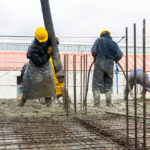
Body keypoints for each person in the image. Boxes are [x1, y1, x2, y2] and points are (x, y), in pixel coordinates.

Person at [18, 27, 55, 107]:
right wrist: (48, 54)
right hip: (35, 67)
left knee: (48, 83)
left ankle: (49, 104)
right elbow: (40, 61)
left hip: (46, 67)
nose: (45, 41)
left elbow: (50, 41)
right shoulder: (33, 48)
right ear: (38, 39)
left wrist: (55, 42)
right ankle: (22, 102)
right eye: (43, 40)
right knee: (29, 84)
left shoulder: (45, 37)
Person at [91, 30, 123, 107]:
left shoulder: (98, 40)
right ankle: (109, 103)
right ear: (109, 35)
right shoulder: (114, 43)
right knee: (108, 84)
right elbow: (120, 54)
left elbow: (93, 51)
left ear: (101, 35)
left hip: (99, 63)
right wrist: (115, 59)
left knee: (96, 84)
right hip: (110, 65)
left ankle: (96, 104)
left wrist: (96, 57)